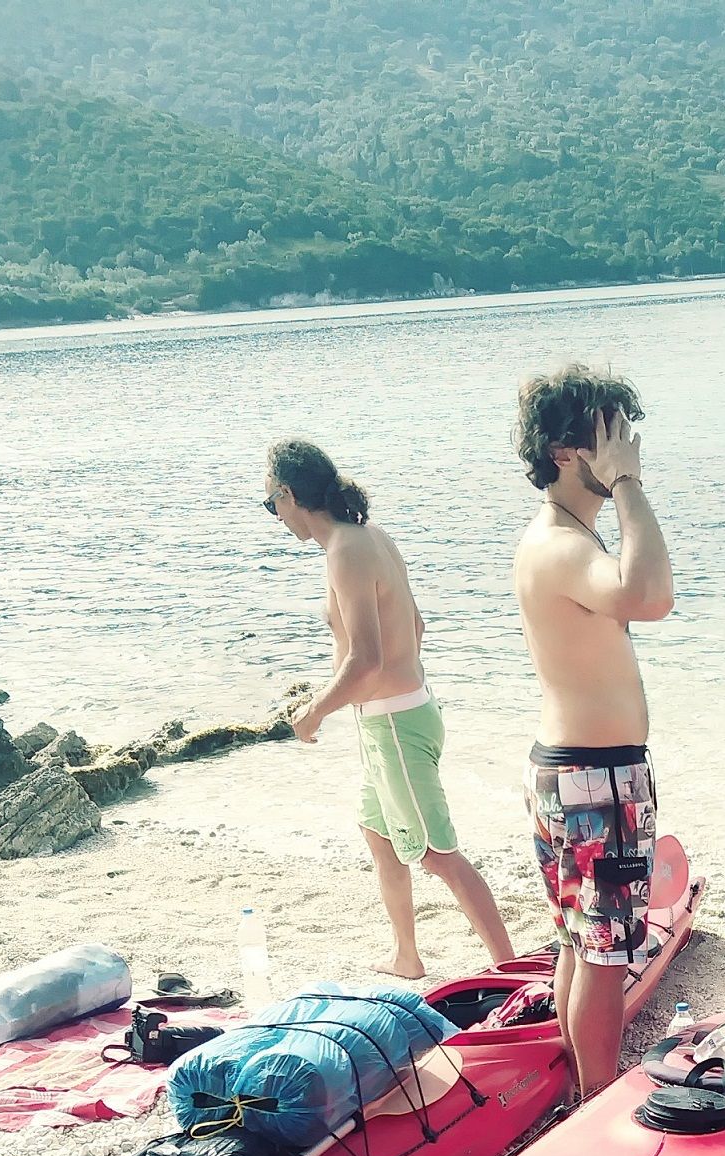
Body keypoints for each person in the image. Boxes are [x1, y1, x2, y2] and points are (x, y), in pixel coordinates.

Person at [265, 437, 513, 980]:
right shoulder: (369, 536)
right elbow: (416, 628)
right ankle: (407, 955)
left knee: (436, 852)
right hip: (398, 716)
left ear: (289, 494)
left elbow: (366, 660)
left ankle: (510, 967)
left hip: (396, 724)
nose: (276, 517)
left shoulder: (344, 552)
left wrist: (314, 712)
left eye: (271, 504)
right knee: (379, 835)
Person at [512, 366, 675, 1098]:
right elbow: (651, 596)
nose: (627, 448)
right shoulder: (564, 546)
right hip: (594, 776)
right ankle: (597, 1103)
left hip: (575, 769)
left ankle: (582, 1092)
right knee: (603, 952)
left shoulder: (560, 540)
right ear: (566, 452)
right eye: (611, 435)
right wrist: (632, 487)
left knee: (582, 943)